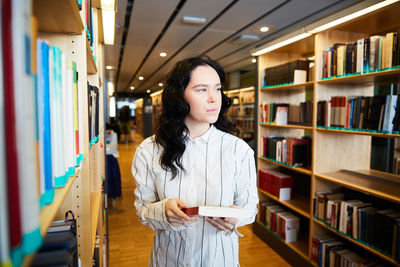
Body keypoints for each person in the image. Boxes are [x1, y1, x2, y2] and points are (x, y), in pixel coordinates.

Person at [132, 56, 258, 266]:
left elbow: (250, 208)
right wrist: (163, 211)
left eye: (217, 89)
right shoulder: (149, 150)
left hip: (220, 260)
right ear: (179, 96)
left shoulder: (239, 150)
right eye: (202, 90)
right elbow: (142, 210)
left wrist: (237, 217)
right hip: (168, 260)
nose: (213, 98)